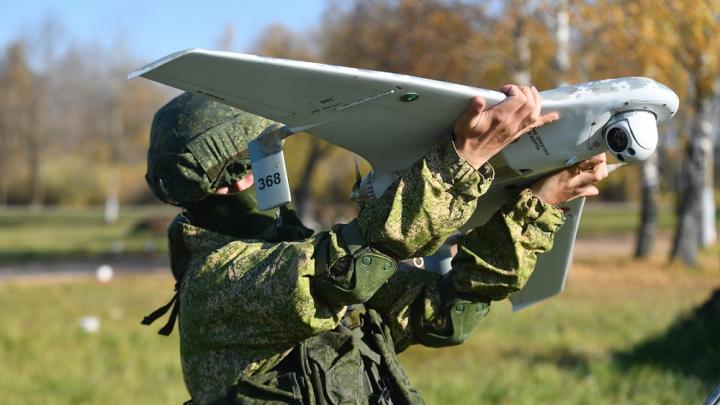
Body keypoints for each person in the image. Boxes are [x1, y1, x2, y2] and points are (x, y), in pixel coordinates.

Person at [142, 86, 608, 404]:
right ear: (193, 198)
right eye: (229, 174)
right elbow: (346, 270)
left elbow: (447, 314)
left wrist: (537, 205)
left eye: (259, 159)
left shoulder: (291, 252)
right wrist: (464, 159)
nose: (251, 180)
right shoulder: (219, 279)